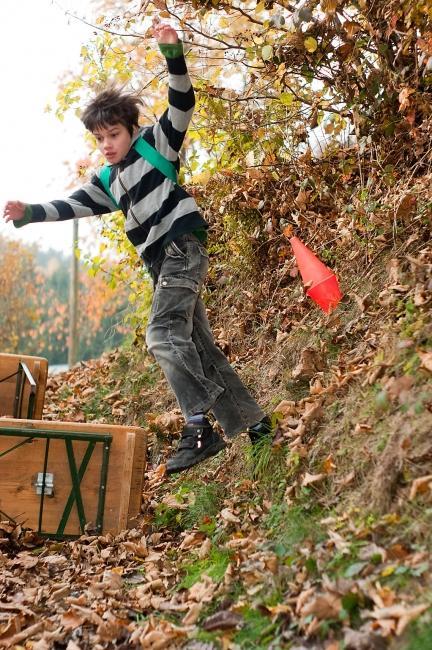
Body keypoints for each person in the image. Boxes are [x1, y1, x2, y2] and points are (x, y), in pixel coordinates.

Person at [3, 22, 271, 473]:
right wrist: (29, 211)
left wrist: (173, 55)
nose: (107, 145)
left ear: (130, 129)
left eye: (114, 135)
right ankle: (259, 429)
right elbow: (71, 205)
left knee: (162, 336)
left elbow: (182, 101)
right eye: (100, 139)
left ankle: (199, 425)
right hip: (161, 265)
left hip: (182, 247)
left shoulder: (155, 146)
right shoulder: (108, 181)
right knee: (199, 349)